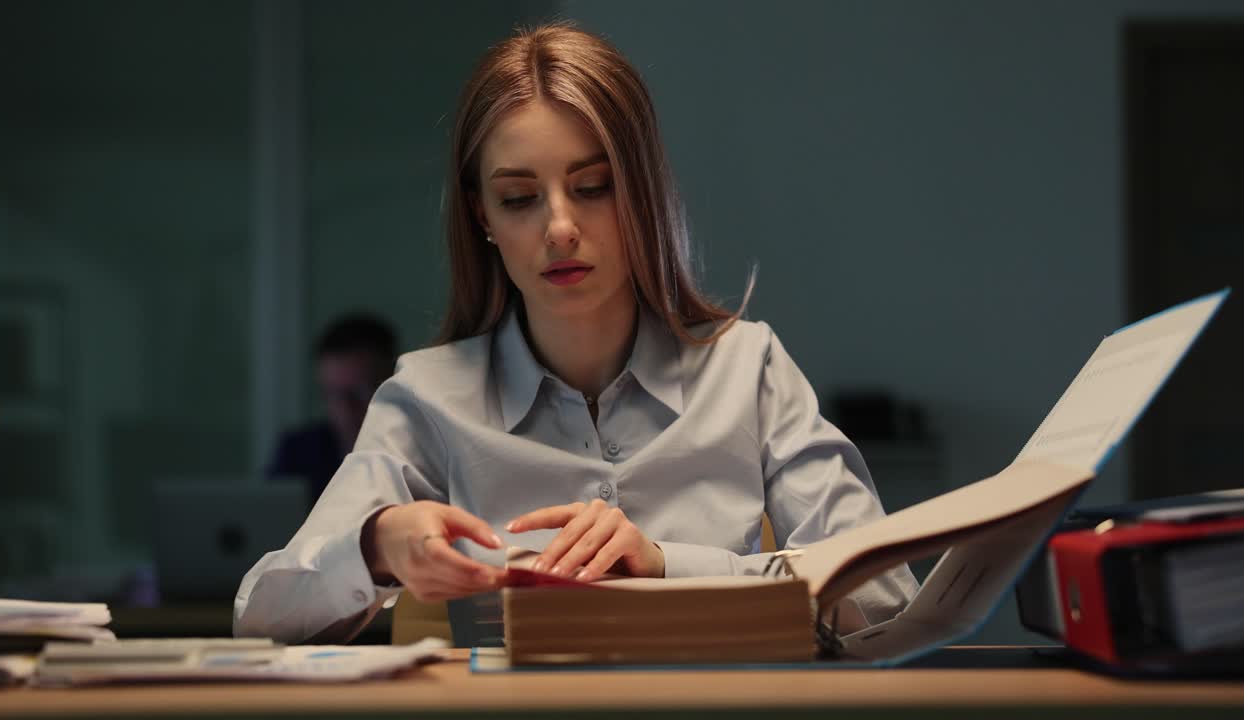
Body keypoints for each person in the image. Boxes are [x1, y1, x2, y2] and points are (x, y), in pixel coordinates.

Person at [235, 22, 917, 646]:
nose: (560, 227)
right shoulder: (426, 398)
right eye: (520, 198)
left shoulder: (749, 367)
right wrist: (376, 545)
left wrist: (666, 564)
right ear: (483, 218)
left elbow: (889, 603)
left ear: (641, 193)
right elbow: (260, 614)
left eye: (592, 186)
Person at [268, 314, 399, 506]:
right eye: (332, 394)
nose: (344, 408)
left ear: (392, 385)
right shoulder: (298, 452)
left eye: (358, 392)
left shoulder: (416, 453)